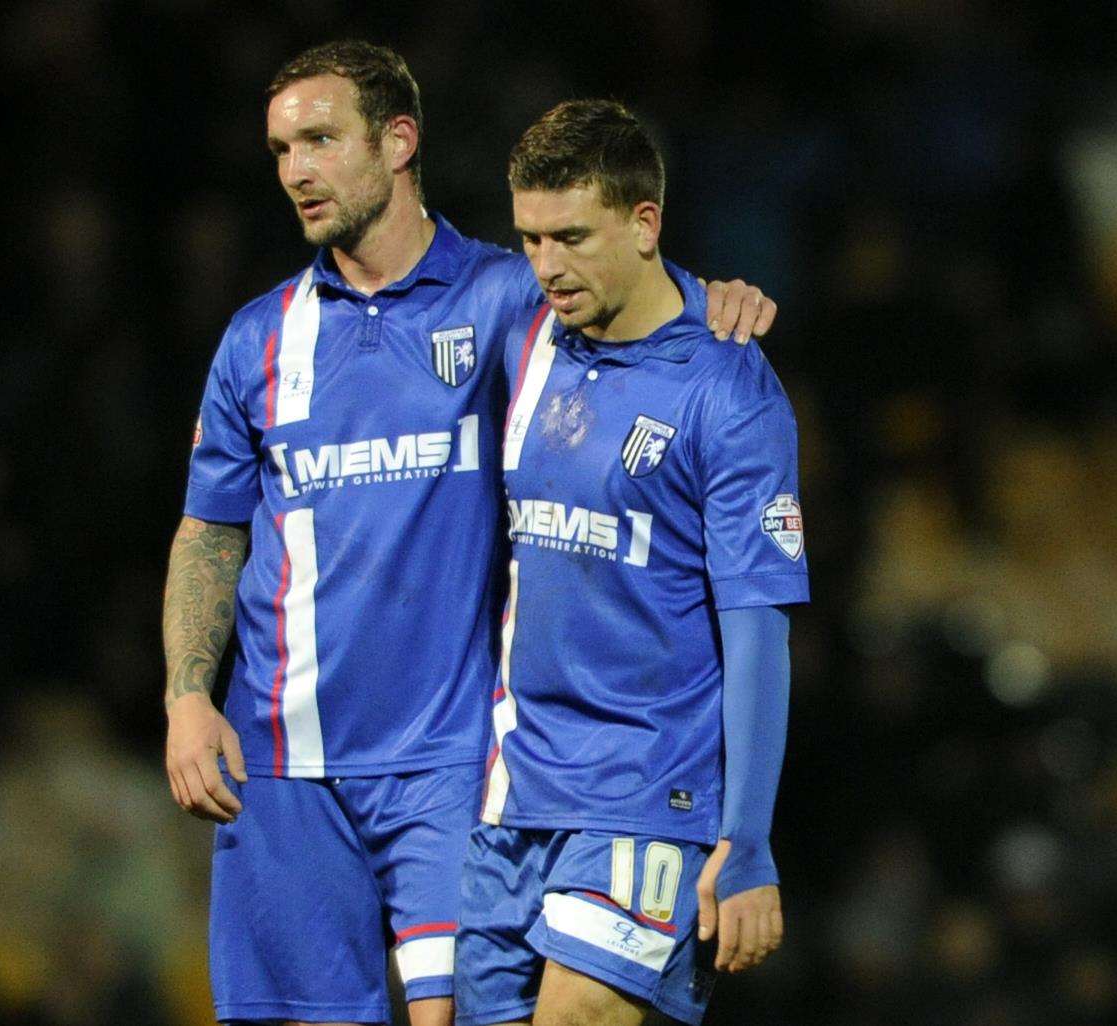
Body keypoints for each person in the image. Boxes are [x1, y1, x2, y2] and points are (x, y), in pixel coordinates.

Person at [162, 41, 776, 1026]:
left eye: (319, 139)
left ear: (397, 141)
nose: (295, 171)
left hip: (451, 765)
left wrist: (714, 299)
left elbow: (625, 293)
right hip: (282, 764)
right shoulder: (257, 339)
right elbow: (208, 531)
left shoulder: (501, 298)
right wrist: (187, 693)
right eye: (280, 149)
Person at [454, 100, 808, 1026]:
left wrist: (748, 839)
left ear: (644, 222)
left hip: (645, 793)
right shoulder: (524, 336)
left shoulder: (727, 389)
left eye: (571, 237)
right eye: (529, 239)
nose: (546, 266)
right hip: (512, 788)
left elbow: (758, 627)